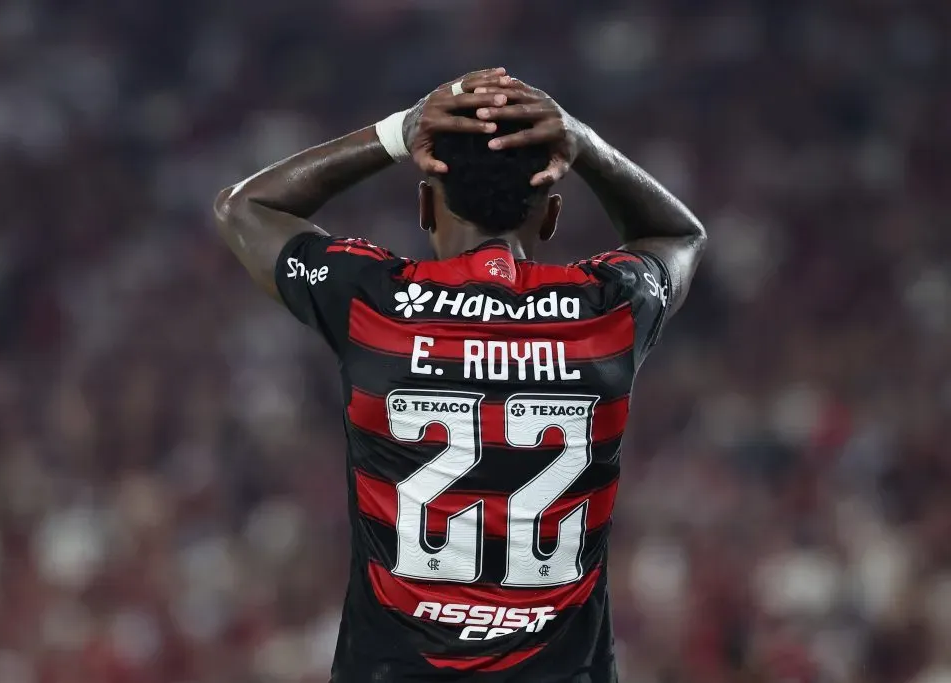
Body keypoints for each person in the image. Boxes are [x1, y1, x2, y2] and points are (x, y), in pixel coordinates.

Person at [214, 68, 706, 683]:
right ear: (550, 215)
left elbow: (246, 208)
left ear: (425, 205)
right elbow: (679, 234)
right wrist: (583, 143)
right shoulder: (606, 310)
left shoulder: (375, 304)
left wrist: (398, 132)